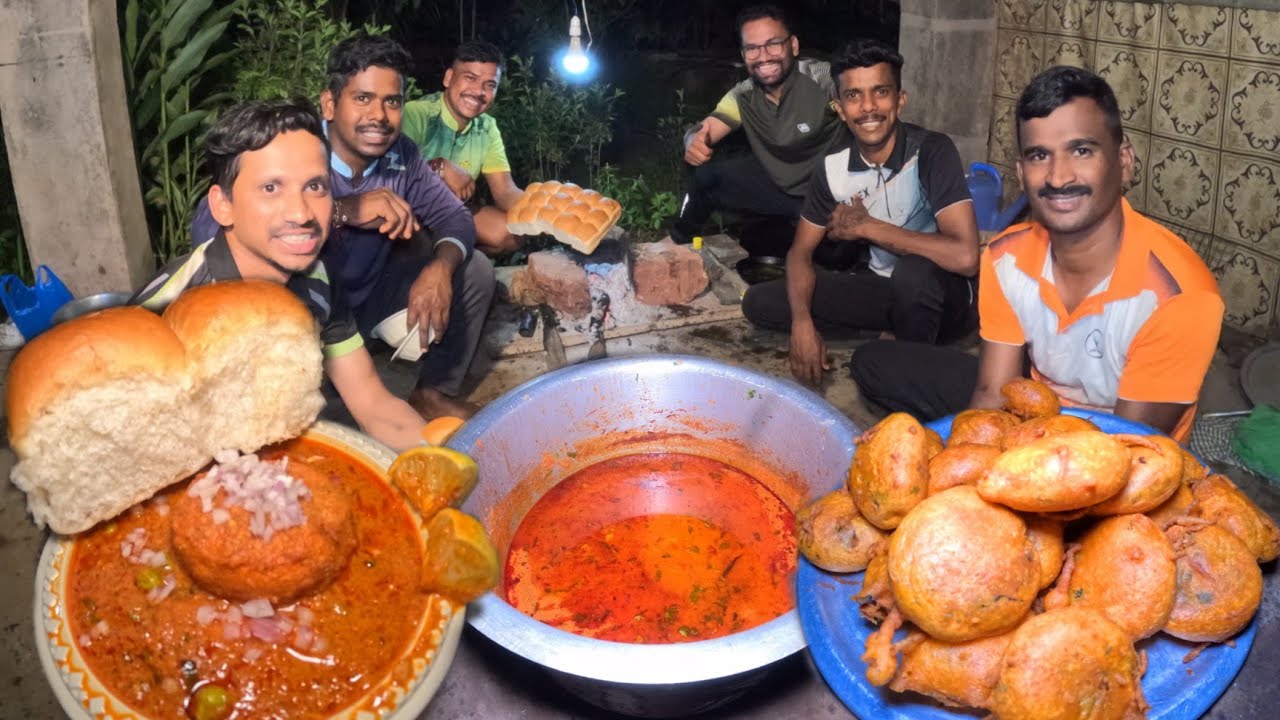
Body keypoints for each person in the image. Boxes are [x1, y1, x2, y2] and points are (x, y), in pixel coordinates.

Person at [851, 66, 1224, 443]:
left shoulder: (1179, 295)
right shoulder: (1005, 257)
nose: (1058, 177)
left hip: (1118, 452)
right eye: (1039, 155)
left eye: (1081, 150)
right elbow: (993, 395)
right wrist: (957, 455)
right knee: (873, 363)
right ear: (1020, 171)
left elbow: (1121, 457)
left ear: (1123, 161)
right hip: (1034, 410)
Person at [193, 34, 495, 421]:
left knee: (474, 270)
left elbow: (455, 218)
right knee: (323, 419)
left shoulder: (401, 155)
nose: (379, 116)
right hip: (302, 311)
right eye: (363, 99)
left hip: (365, 304)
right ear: (330, 104)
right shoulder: (297, 147)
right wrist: (340, 210)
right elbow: (208, 224)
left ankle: (432, 393)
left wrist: (440, 269)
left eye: (392, 101)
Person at [135, 98, 427, 451]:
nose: (301, 213)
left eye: (315, 186)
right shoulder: (167, 309)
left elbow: (374, 405)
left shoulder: (317, 278)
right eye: (271, 188)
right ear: (222, 205)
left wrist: (449, 460)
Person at [742, 39, 980, 386]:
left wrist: (869, 228)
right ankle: (893, 330)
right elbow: (800, 252)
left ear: (900, 100)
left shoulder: (931, 151)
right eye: (854, 96)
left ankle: (907, 368)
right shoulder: (833, 169)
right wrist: (803, 324)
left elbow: (966, 257)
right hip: (883, 291)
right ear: (839, 108)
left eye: (880, 92)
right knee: (761, 302)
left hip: (945, 298)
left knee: (913, 275)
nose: (868, 107)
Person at [668, 4, 841, 247]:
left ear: (793, 45)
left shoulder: (823, 79)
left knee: (836, 252)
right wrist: (692, 142)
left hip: (825, 195)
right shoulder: (743, 96)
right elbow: (702, 130)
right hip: (776, 184)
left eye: (773, 43)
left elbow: (859, 90)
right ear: (743, 55)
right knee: (707, 178)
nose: (763, 56)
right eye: (752, 48)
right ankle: (676, 241)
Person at [400, 40, 523, 256]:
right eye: (470, 78)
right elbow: (393, 174)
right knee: (417, 245)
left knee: (512, 234)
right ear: (448, 78)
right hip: (413, 211)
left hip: (454, 212)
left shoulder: (487, 127)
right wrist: (440, 168)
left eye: (490, 85)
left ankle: (460, 263)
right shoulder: (416, 114)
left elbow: (505, 191)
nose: (479, 91)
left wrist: (544, 208)